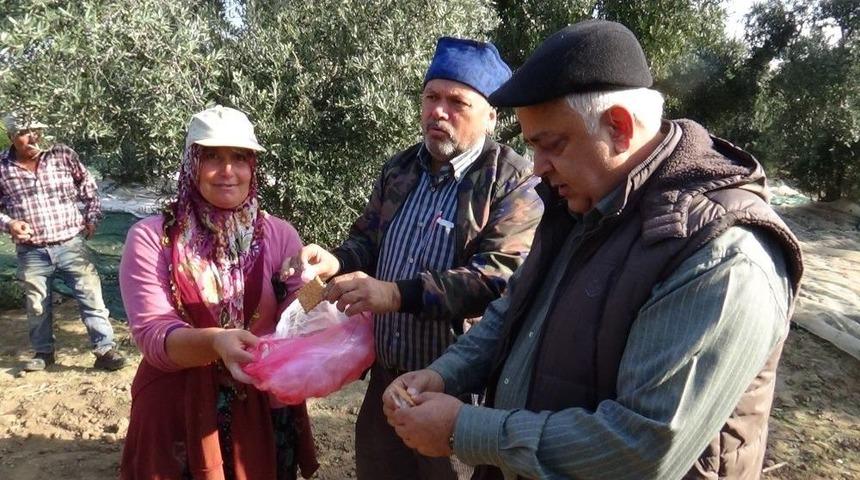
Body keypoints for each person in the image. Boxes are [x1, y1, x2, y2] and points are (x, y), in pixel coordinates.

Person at [382, 20, 805, 480]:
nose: (537, 168)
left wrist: (464, 430)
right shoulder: (583, 202)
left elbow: (642, 448)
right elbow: (511, 312)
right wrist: (444, 374)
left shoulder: (724, 254)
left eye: (551, 145)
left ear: (618, 127)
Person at [285, 37, 543, 479]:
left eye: (456, 102)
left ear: (491, 116)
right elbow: (367, 241)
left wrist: (394, 294)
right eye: (431, 97)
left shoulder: (512, 180)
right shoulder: (400, 169)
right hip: (387, 384)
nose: (438, 112)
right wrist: (336, 261)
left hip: (458, 393)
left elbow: (496, 280)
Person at [118, 106, 318, 479]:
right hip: (178, 408)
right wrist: (215, 344)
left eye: (239, 157)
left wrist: (321, 289)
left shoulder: (280, 235)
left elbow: (298, 311)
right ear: (191, 164)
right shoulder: (152, 238)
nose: (228, 170)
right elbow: (153, 335)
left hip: (262, 405)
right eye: (212, 157)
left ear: (252, 166)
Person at [0, 113, 126, 372]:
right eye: (24, 133)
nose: (33, 137)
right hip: (32, 250)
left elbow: (88, 185)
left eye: (37, 130)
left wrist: (92, 217)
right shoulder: (2, 167)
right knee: (37, 304)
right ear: (11, 136)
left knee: (91, 297)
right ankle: (44, 353)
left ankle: (105, 349)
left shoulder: (62, 154)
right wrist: (9, 224)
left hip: (71, 244)